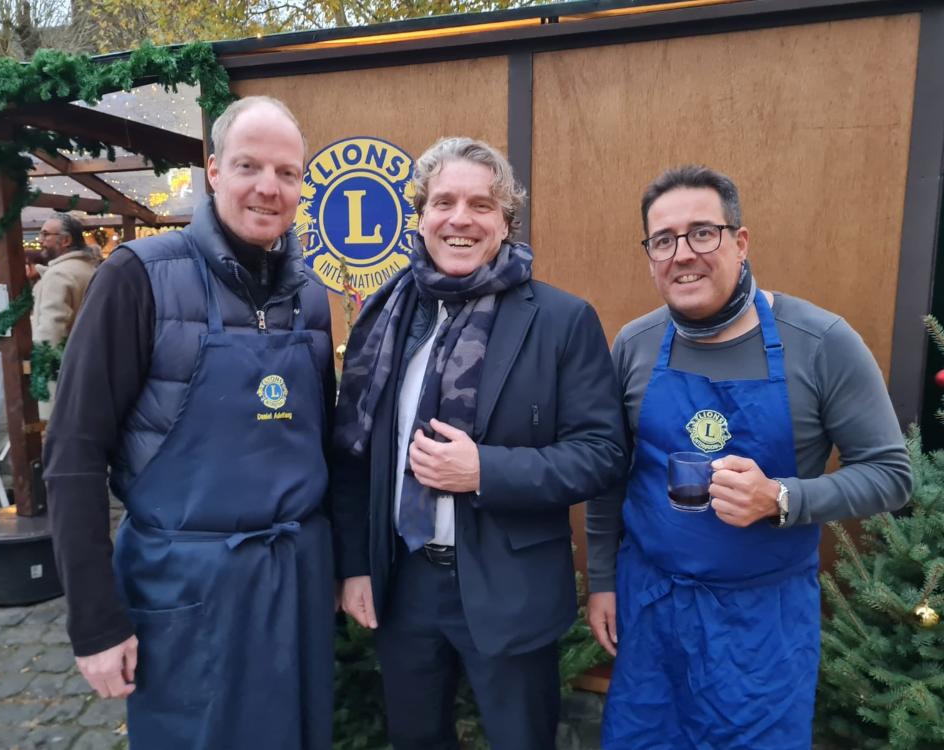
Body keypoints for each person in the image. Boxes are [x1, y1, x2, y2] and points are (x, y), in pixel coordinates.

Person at [586, 165, 913, 749]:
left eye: (702, 233)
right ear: (651, 257)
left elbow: (890, 475)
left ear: (740, 242)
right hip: (652, 609)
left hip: (762, 628)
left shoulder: (821, 343)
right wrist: (604, 582)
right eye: (663, 240)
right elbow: (610, 475)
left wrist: (782, 497)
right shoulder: (635, 344)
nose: (683, 254)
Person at [45, 96, 336, 750]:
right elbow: (74, 452)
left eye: (287, 173)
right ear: (214, 170)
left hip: (296, 582)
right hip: (187, 587)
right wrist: (94, 622)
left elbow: (325, 445)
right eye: (249, 166)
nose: (268, 187)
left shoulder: (311, 296)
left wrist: (348, 568)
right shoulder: (138, 278)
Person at [333, 136, 625, 750]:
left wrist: (484, 471)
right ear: (420, 217)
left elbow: (601, 454)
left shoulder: (561, 320)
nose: (460, 219)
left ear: (506, 222)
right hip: (405, 585)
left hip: (510, 589)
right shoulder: (385, 319)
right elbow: (355, 454)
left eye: (481, 205)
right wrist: (356, 564)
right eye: (443, 202)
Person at [30, 212, 98, 419]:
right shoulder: (89, 269)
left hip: (60, 372)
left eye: (45, 234)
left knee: (56, 426)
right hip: (87, 364)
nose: (40, 240)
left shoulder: (59, 274)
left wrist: (42, 369)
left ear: (66, 240)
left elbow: (52, 329)